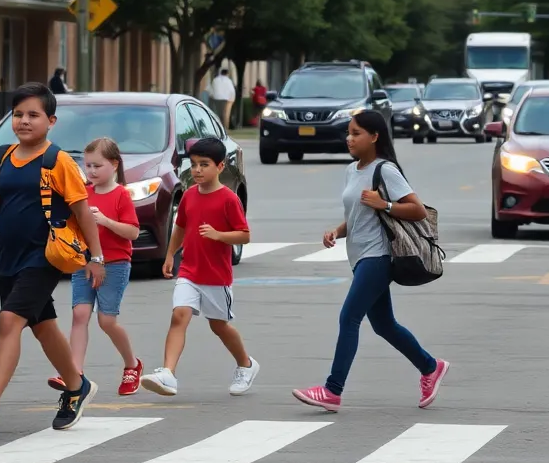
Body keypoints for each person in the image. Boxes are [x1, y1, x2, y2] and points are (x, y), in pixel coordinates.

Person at [0, 82, 105, 438]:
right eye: (18, 114)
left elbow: (82, 212)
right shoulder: (3, 157)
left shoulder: (58, 161)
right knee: (42, 325)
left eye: (33, 115)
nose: (24, 121)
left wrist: (96, 257)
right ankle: (76, 386)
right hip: (9, 256)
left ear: (51, 121)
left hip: (45, 256)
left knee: (9, 321)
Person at [292, 110, 447, 412]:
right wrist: (337, 231)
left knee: (349, 317)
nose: (349, 138)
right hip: (360, 256)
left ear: (375, 137)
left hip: (379, 256)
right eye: (348, 133)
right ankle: (430, 367)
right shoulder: (352, 170)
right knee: (384, 325)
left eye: (356, 133)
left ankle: (332, 390)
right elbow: (359, 214)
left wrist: (386, 204)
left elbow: (418, 210)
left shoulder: (385, 170)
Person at [140, 137, 259, 396]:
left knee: (219, 326)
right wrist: (170, 255)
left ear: (220, 167)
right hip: (189, 271)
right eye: (193, 165)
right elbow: (180, 226)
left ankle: (246, 365)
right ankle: (168, 374)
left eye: (204, 165)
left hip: (216, 277)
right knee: (179, 315)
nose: (197, 170)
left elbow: (244, 235)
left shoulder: (228, 199)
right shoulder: (189, 195)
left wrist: (219, 235)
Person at [47, 137, 143, 395]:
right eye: (87, 166)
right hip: (84, 262)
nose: (91, 172)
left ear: (114, 165)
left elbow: (133, 233)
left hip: (115, 264)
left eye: (97, 166)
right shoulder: (83, 194)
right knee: (80, 315)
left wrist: (107, 222)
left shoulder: (121, 194)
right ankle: (74, 371)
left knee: (107, 321)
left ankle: (132, 365)